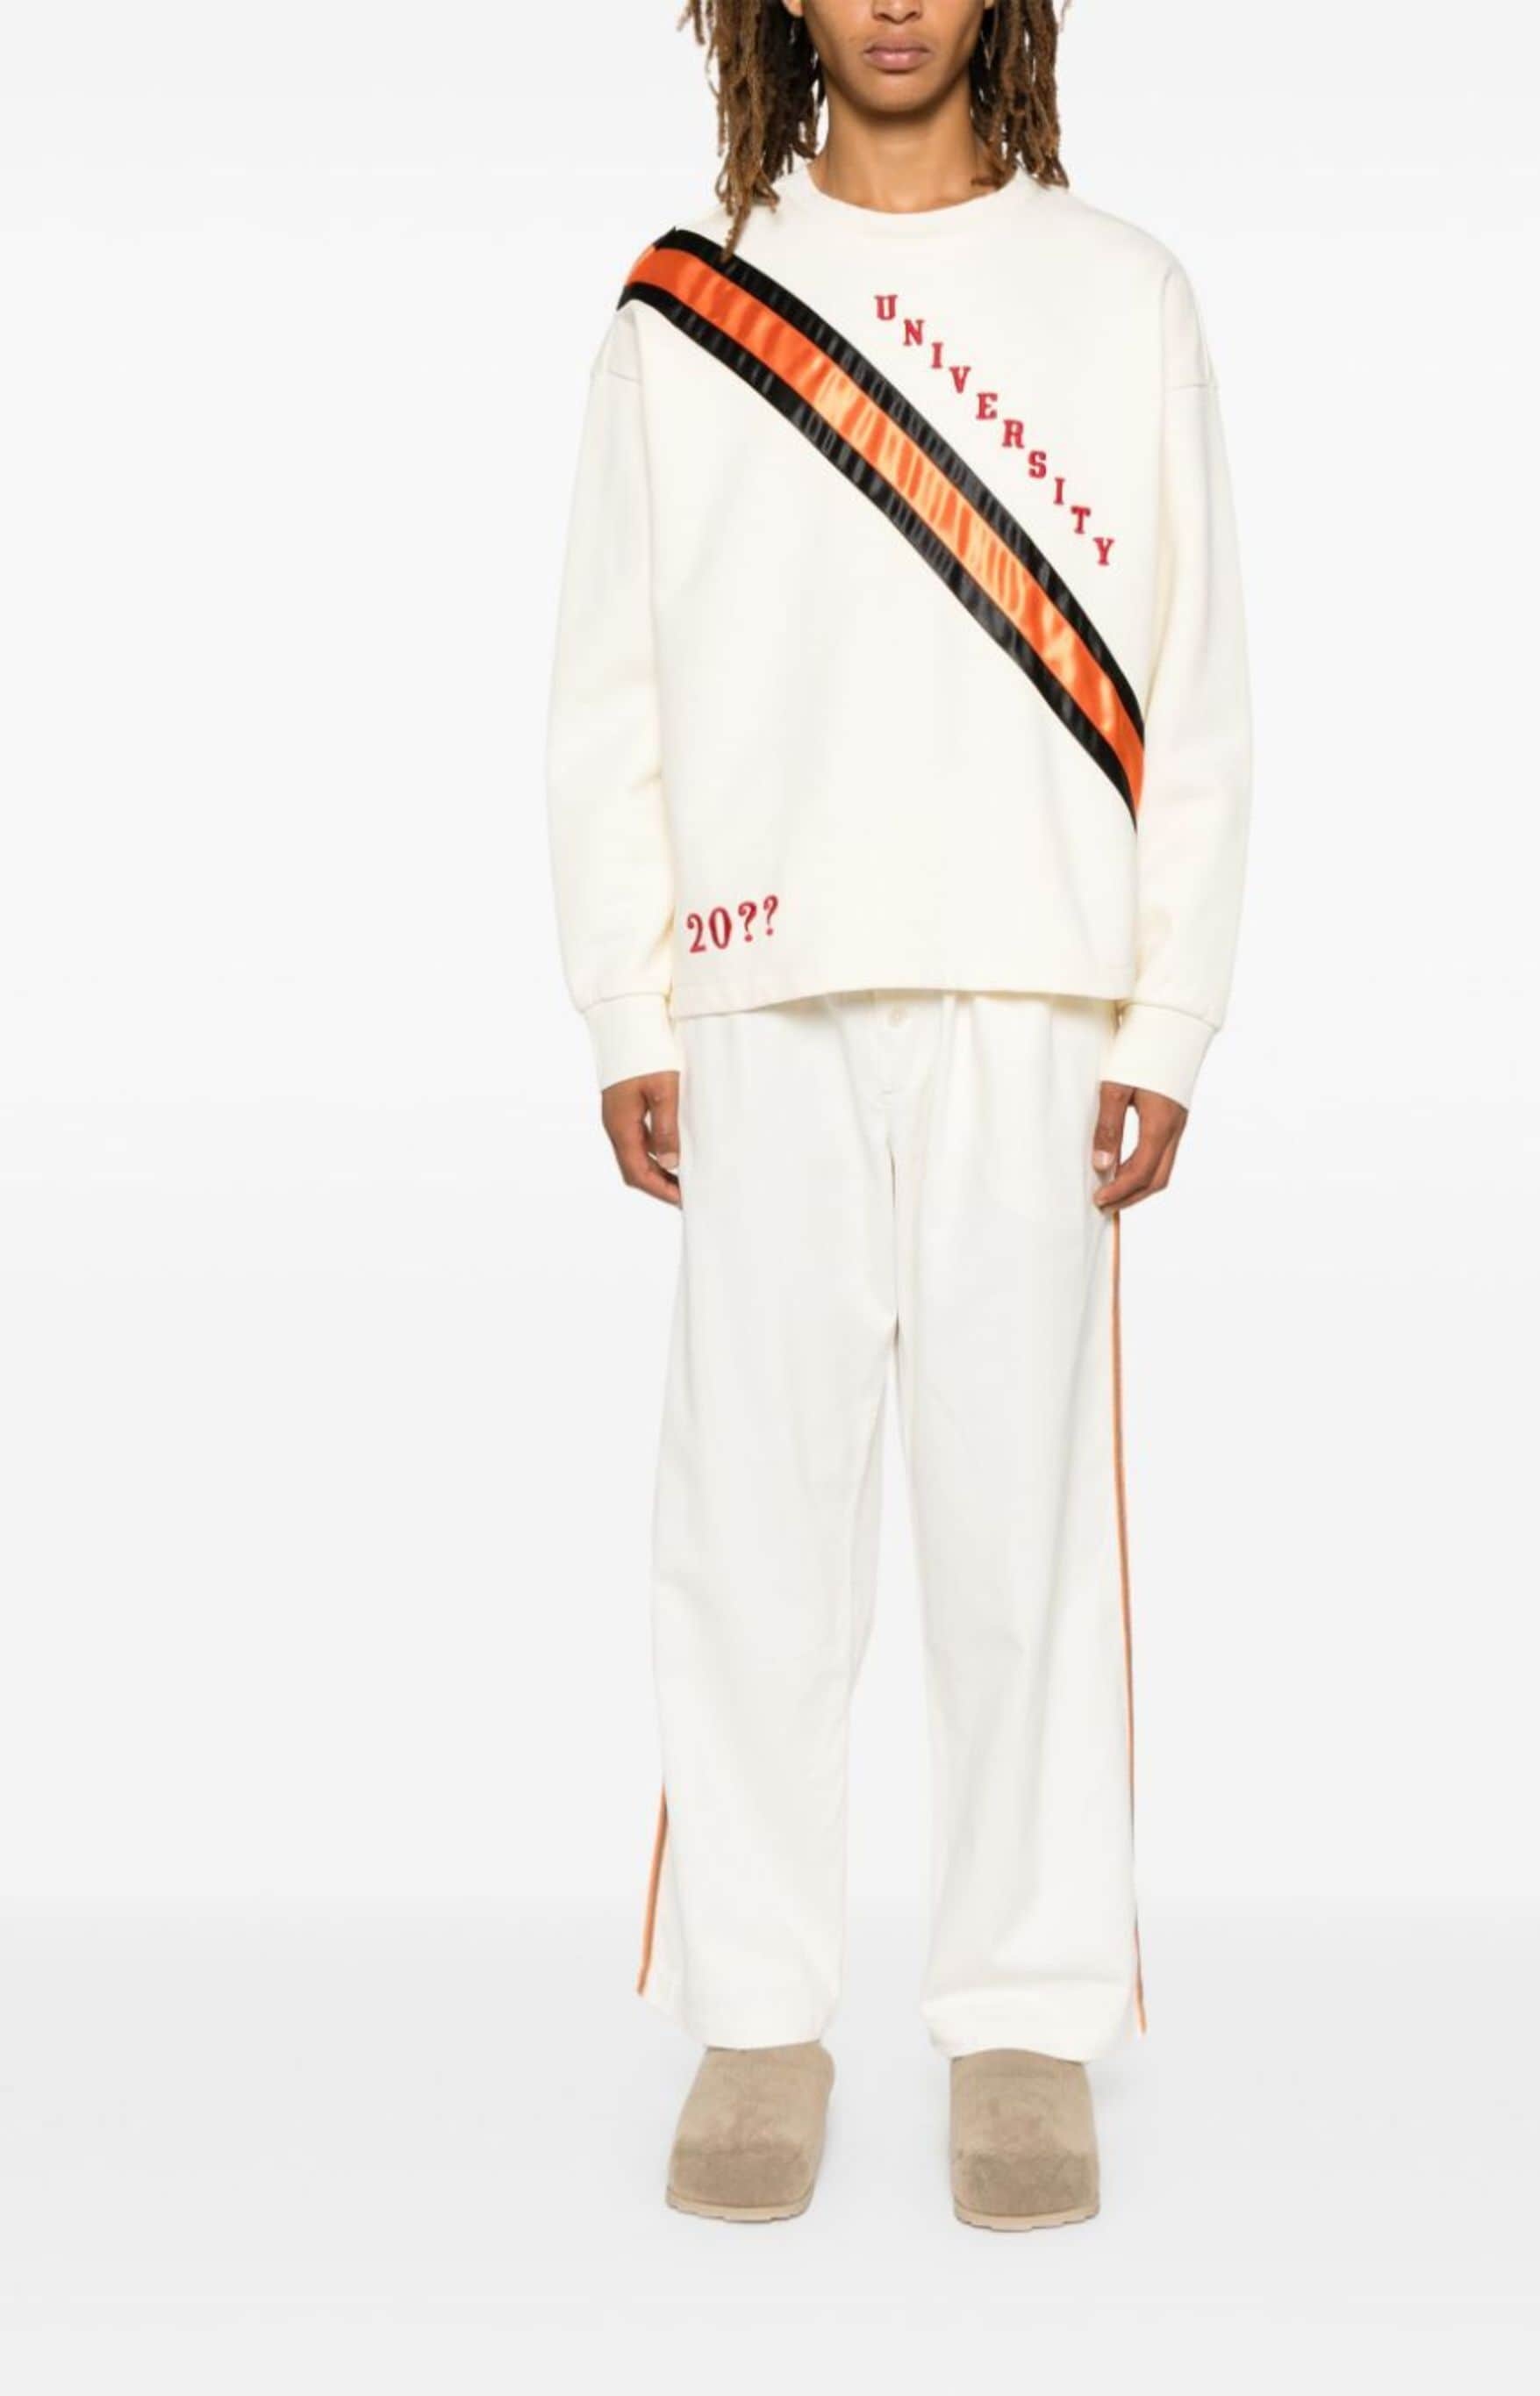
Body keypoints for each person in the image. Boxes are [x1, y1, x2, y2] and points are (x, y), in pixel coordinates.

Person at [547, 0, 1250, 2230]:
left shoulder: (1120, 293)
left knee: (1014, 1524)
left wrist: (1167, 1013)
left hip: (1033, 987)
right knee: (751, 1520)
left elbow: (1201, 676)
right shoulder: (691, 307)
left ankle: (1021, 2015)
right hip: (761, 987)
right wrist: (627, 992)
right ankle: (757, 2013)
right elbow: (608, 677)